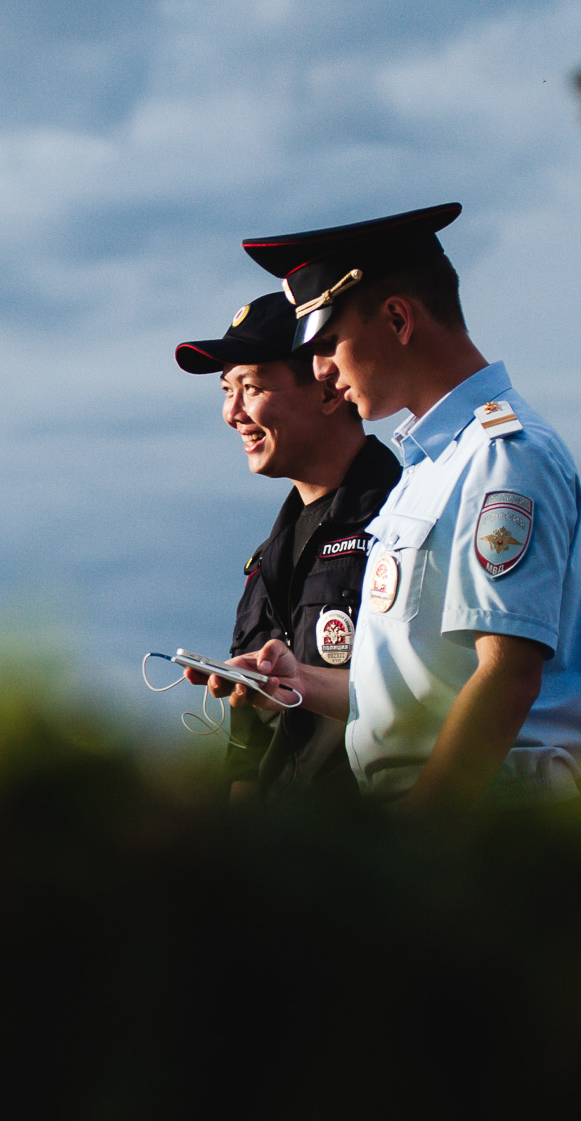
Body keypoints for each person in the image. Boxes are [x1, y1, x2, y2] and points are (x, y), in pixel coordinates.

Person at [225, 202, 581, 813]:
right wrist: (300, 681)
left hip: (486, 830)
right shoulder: (428, 466)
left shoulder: (503, 457)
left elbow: (507, 678)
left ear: (397, 319)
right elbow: (427, 689)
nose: (320, 369)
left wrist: (420, 851)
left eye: (328, 341)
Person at [174, 291, 400, 803]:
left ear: (326, 390)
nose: (233, 413)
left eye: (251, 387)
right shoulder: (267, 559)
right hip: (289, 860)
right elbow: (248, 746)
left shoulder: (405, 523)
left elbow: (450, 690)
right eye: (226, 390)